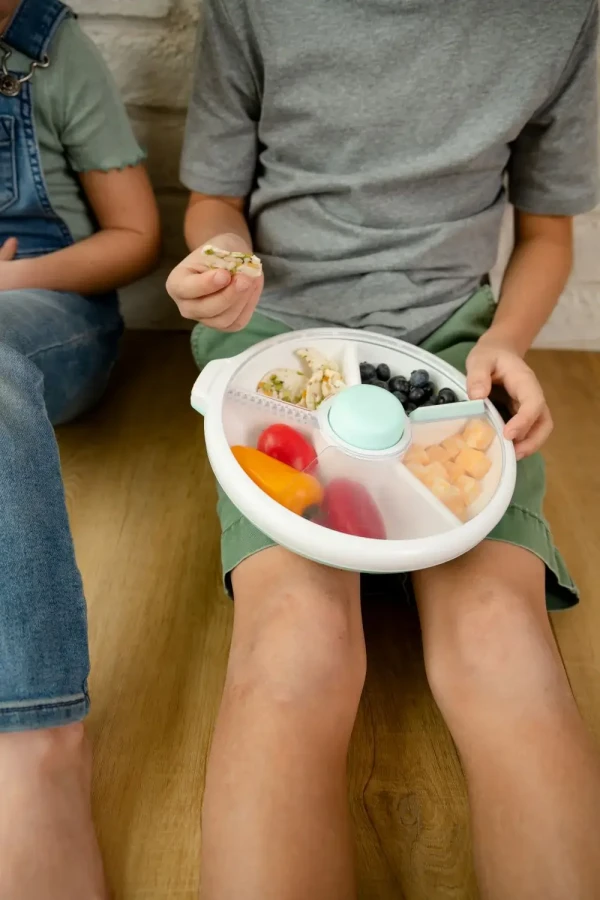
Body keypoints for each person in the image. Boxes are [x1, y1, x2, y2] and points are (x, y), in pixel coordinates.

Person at [167, 1, 600, 897]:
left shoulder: (563, 18)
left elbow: (549, 233)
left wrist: (508, 341)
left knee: (500, 645)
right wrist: (222, 264)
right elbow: (217, 200)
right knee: (294, 645)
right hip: (279, 343)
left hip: (449, 349)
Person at [0, 0, 160, 896]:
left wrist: (12, 278)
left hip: (52, 312)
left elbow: (137, 237)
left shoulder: (52, 55)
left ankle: (39, 746)